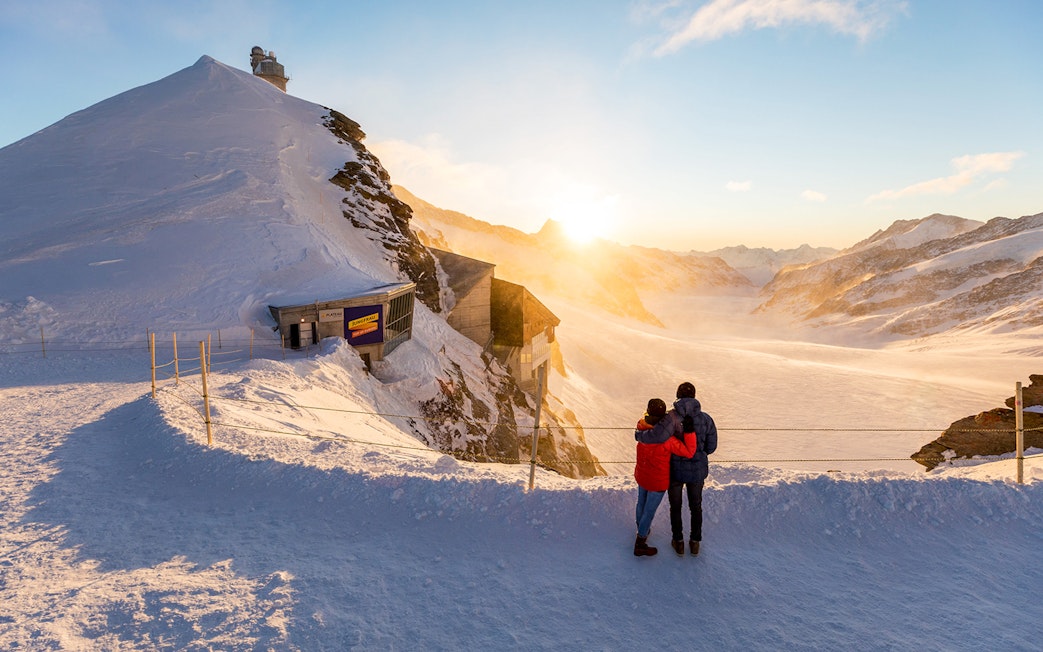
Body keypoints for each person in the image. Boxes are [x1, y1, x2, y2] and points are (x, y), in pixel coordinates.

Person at [635, 381, 718, 556]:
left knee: (676, 506)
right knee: (696, 507)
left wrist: (639, 435)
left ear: (678, 396)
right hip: (697, 471)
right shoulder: (706, 419)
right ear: (694, 396)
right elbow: (711, 447)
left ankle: (678, 542)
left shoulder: (671, 418)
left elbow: (657, 436)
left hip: (676, 471)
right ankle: (695, 543)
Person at [633, 398, 697, 557]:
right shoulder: (667, 439)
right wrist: (689, 432)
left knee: (641, 503)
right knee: (649, 511)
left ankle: (642, 529)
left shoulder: (641, 428)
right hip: (657, 481)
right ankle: (640, 543)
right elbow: (689, 452)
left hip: (642, 475)